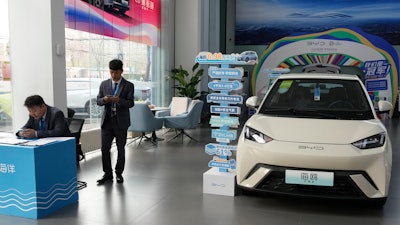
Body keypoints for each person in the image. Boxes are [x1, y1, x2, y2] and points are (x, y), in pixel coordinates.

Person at [96, 59, 135, 184]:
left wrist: (119, 101)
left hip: (121, 123)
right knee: (104, 149)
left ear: (121, 71)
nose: (113, 75)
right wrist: (105, 99)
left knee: (120, 149)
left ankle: (119, 173)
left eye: (116, 73)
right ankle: (107, 174)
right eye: (111, 72)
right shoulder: (104, 84)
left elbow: (131, 103)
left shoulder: (129, 85)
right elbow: (98, 100)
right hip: (107, 122)